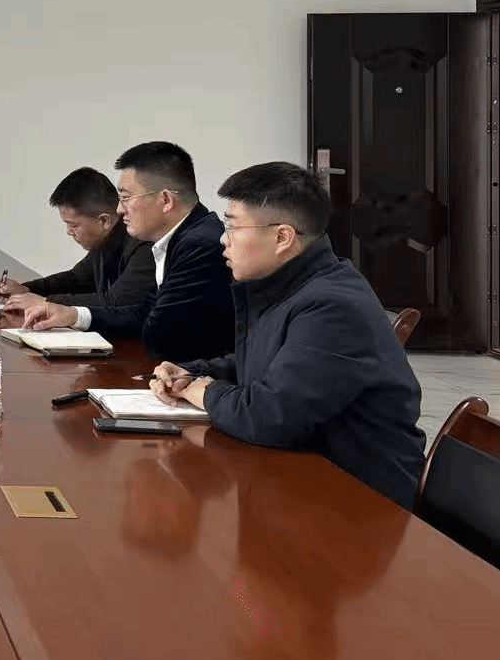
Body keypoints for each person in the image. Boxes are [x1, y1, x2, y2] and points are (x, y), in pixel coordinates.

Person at [149, 161, 425, 507]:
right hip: (309, 476)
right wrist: (193, 372)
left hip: (360, 500)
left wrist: (204, 392)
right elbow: (264, 361)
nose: (222, 239)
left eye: (232, 226)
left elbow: (271, 417)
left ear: (282, 237)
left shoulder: (332, 305)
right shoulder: (290, 286)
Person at [21, 141, 233, 363]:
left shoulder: (199, 245)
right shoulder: (182, 237)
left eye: (126, 197)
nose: (120, 209)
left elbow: (157, 333)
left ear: (166, 200)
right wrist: (74, 315)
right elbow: (145, 312)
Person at [0, 166, 153, 310]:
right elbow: (76, 279)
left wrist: (45, 302)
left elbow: (115, 301)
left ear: (104, 221)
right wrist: (27, 289)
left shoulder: (145, 245)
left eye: (73, 225)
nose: (69, 232)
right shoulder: (104, 240)